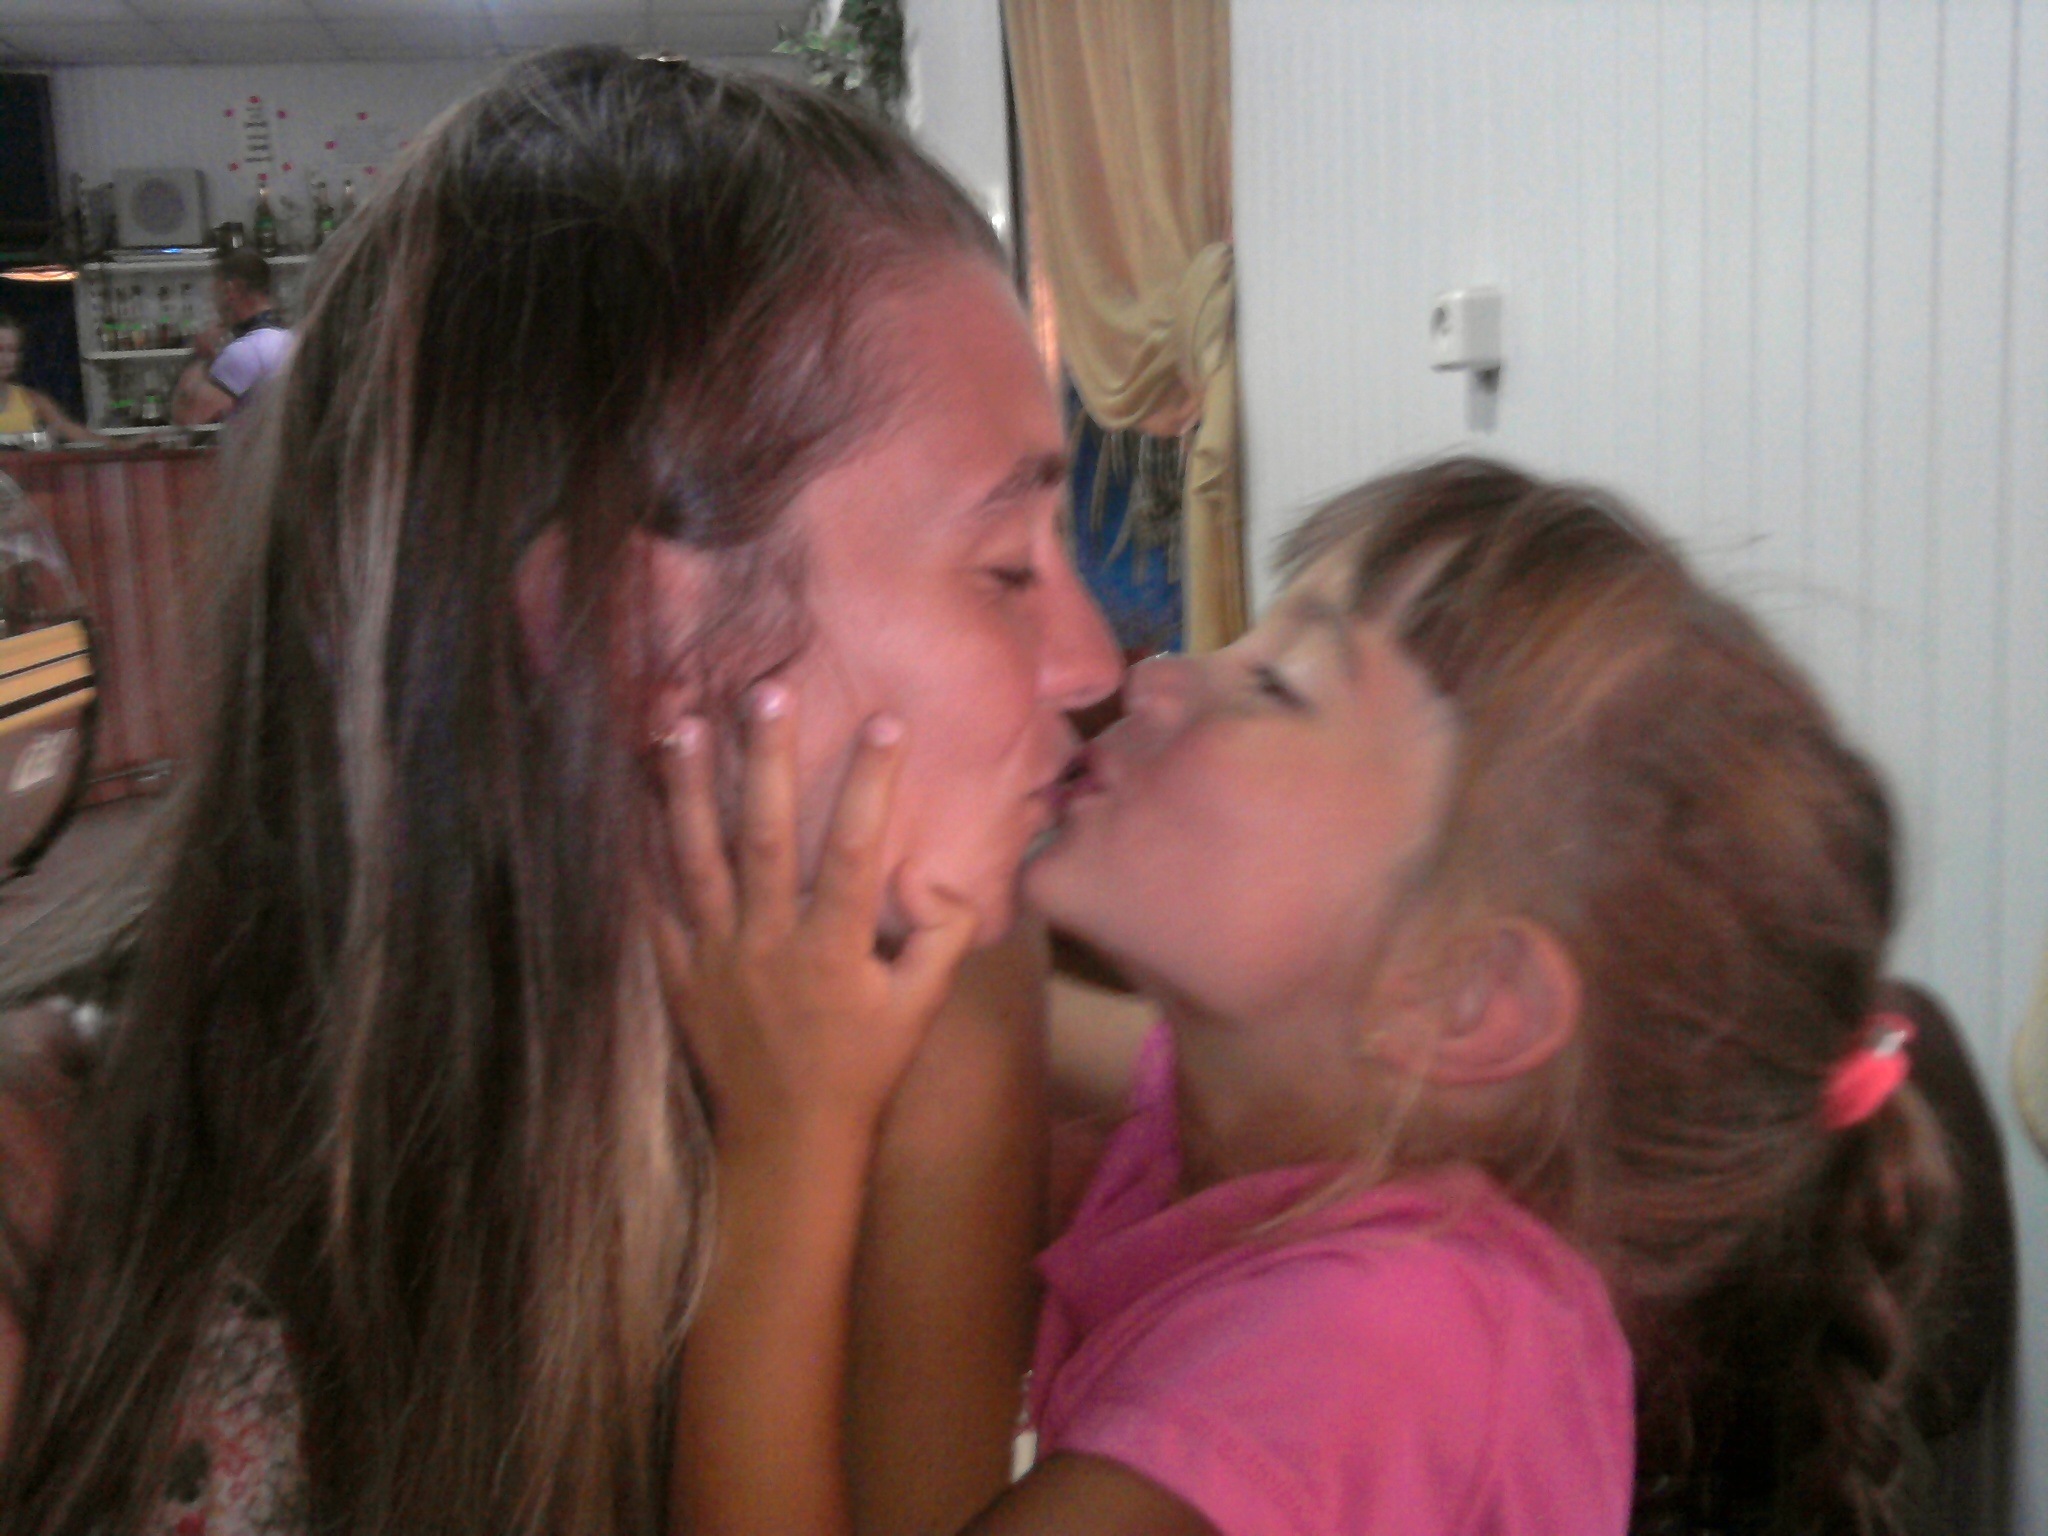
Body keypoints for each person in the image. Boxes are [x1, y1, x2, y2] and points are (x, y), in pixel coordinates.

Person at [0, 45, 1119, 1536]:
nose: (1091, 663)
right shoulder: (54, 1224)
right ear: (639, 637)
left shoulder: (947, 996)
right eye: (1002, 568)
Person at [666, 458, 1959, 1536]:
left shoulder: (1376, 1353)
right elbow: (1027, 1032)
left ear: (1463, 996)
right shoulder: (1293, 1125)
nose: (1153, 675)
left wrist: (785, 1140)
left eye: (1279, 685)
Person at [169, 250, 292, 426]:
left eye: (215, 292)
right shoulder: (292, 338)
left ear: (229, 290)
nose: (215, 303)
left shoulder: (245, 351)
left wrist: (201, 357)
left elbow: (188, 418)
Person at [0, 315, 107, 447]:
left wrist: (121, 447)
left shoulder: (30, 399)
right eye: (0, 350)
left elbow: (70, 431)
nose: (7, 358)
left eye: (12, 350)